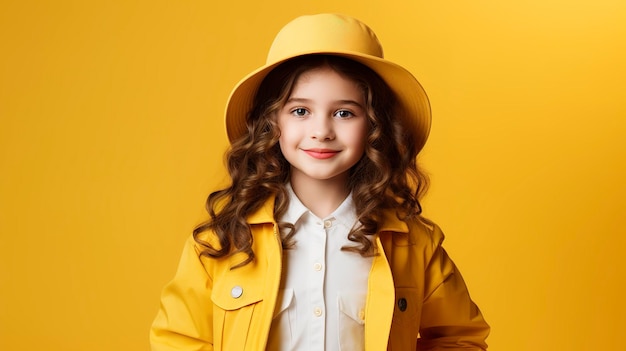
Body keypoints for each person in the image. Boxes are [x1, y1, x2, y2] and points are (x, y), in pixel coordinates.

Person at [150, 13, 490, 351]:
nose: (321, 132)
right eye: (300, 111)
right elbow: (178, 341)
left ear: (374, 126)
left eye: (344, 112)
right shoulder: (220, 244)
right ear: (272, 122)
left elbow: (460, 338)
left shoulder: (416, 247)